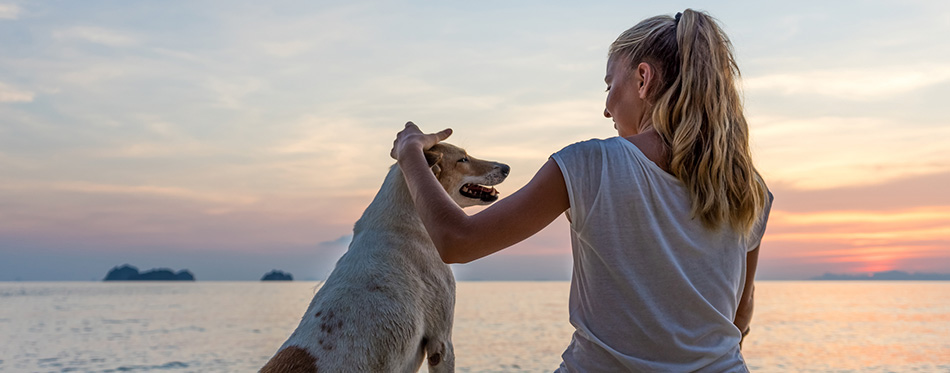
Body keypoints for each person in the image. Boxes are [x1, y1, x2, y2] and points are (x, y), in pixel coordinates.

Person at [390, 8, 772, 372]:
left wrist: (410, 154)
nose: (607, 109)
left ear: (643, 79)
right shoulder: (748, 188)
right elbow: (741, 310)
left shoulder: (592, 163)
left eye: (610, 85)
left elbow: (457, 241)